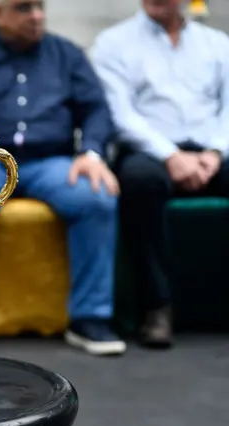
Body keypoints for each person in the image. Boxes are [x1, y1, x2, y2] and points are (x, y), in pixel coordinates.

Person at [0, 0, 126, 356]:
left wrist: (92, 152)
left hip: (51, 161)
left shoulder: (67, 55)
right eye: (24, 8)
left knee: (96, 197)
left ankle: (90, 317)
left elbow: (96, 109)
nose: (36, 15)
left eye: (39, 7)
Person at [91, 0, 229, 348]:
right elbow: (120, 115)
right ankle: (157, 306)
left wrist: (214, 151)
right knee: (139, 181)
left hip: (211, 148)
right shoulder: (113, 43)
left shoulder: (217, 43)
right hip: (149, 151)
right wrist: (171, 155)